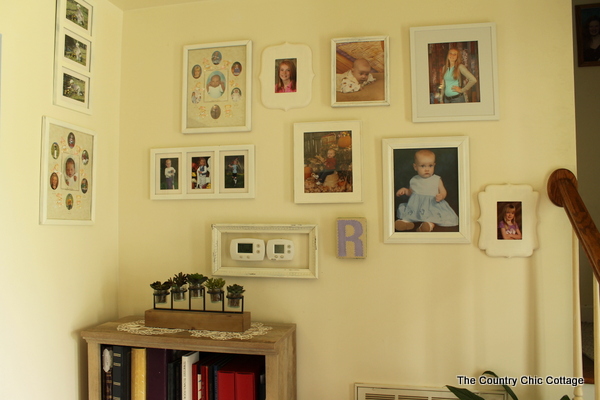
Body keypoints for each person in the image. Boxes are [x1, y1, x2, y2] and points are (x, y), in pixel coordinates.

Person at [395, 149, 458, 232]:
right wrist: (405, 190)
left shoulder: (436, 179)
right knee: (408, 215)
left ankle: (428, 225)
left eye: (430, 166)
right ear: (415, 167)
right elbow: (412, 192)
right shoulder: (414, 180)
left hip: (432, 206)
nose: (427, 169)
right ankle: (405, 223)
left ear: (434, 165)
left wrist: (441, 196)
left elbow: (443, 191)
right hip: (416, 207)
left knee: (433, 216)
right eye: (423, 166)